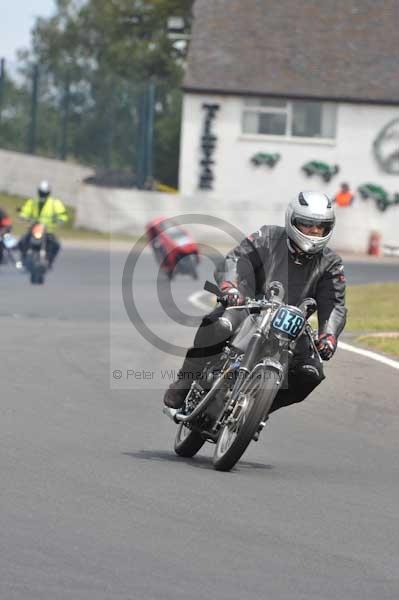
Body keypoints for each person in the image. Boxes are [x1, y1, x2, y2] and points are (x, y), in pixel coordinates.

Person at [164, 191, 347, 416]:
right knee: (220, 325)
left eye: (321, 226)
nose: (315, 231)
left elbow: (335, 303)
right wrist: (230, 287)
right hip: (248, 306)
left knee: (311, 373)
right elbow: (237, 259)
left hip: (291, 328)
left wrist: (328, 336)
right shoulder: (268, 236)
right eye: (308, 224)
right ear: (292, 220)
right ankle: (184, 382)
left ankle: (258, 410)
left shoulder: (331, 263)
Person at [18, 181, 69, 267]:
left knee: (56, 245)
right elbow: (25, 211)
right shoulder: (32, 201)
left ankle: (49, 261)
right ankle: (23, 259)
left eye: (44, 193)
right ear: (38, 191)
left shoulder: (54, 203)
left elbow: (63, 214)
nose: (42, 195)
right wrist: (23, 216)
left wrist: (59, 219)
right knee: (22, 242)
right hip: (34, 228)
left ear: (48, 193)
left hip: (48, 230)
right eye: (41, 192)